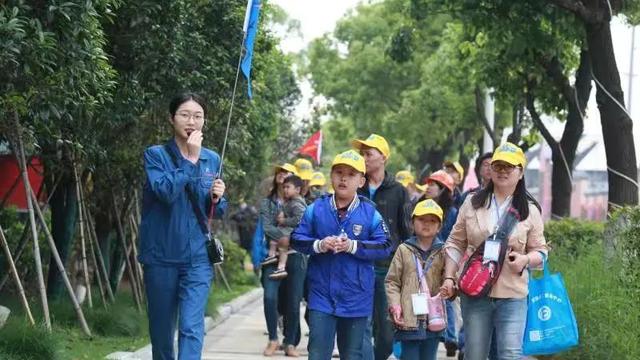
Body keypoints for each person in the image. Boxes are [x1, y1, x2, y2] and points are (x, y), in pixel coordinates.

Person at [138, 92, 227, 359]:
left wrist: (218, 197)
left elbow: (217, 211)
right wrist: (189, 160)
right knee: (163, 331)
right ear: (171, 118)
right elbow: (164, 191)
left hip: (198, 258)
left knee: (191, 326)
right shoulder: (155, 155)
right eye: (185, 115)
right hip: (161, 257)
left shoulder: (212, 159)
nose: (192, 121)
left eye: (198, 116)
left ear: (204, 122)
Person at [440, 142, 549, 360]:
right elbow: (454, 242)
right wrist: (449, 277)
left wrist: (525, 259)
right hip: (475, 293)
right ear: (490, 170)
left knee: (510, 354)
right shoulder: (472, 203)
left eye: (509, 166)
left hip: (513, 295)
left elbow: (541, 252)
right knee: (475, 355)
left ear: (520, 172)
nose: (503, 171)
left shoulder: (530, 210)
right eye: (498, 166)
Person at [291, 149, 392, 360]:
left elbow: (385, 245)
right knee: (317, 353)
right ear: (331, 176)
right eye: (338, 172)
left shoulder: (370, 213)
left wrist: (353, 246)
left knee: (352, 354)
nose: (343, 178)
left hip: (357, 296)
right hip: (321, 295)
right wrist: (319, 244)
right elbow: (296, 238)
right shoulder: (315, 209)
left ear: (361, 181)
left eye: (351, 174)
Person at [351, 134, 412, 360]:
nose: (364, 158)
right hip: (358, 266)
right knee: (362, 325)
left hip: (388, 270)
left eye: (369, 154)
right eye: (362, 154)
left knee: (386, 332)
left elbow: (407, 233)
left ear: (383, 157)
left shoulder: (399, 191)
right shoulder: (356, 188)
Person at [385, 200, 447, 360]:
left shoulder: (443, 251)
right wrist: (395, 305)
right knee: (409, 356)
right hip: (408, 317)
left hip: (434, 317)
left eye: (432, 221)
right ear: (412, 223)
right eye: (421, 219)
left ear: (439, 226)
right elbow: (392, 281)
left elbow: (449, 279)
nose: (426, 224)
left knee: (429, 356)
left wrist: (450, 288)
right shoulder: (404, 249)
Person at [259, 163, 307, 357]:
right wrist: (283, 236)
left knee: (293, 301)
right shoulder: (268, 203)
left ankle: (290, 342)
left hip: (296, 256)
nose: (283, 176)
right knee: (270, 297)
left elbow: (305, 225)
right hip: (273, 256)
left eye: (287, 174)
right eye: (280, 172)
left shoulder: (301, 201)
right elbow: (266, 227)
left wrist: (289, 237)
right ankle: (272, 338)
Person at [420, 170, 459, 357]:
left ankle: (449, 336)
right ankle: (423, 329)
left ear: (443, 189)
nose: (428, 187)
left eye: (433, 184)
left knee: (445, 297)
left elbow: (455, 239)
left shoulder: (452, 213)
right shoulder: (419, 207)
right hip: (422, 260)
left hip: (443, 260)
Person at [263, 175, 307, 280]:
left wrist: (284, 221)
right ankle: (272, 255)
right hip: (285, 229)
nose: (285, 190)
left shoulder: (297, 203)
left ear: (297, 189)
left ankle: (281, 268)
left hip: (290, 231)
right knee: (274, 240)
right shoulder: (291, 201)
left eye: (288, 187)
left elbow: (299, 219)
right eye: (284, 187)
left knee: (282, 248)